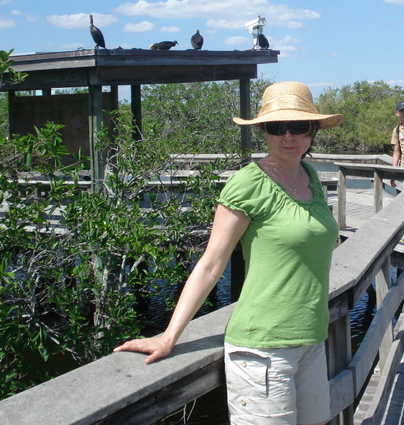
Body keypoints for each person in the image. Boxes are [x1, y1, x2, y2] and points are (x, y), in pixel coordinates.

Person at [114, 81, 344, 425]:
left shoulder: (310, 176)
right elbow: (211, 264)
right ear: (264, 132)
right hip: (262, 350)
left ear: (312, 130)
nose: (288, 136)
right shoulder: (248, 183)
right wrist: (168, 335)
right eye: (275, 127)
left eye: (298, 126)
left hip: (312, 339)